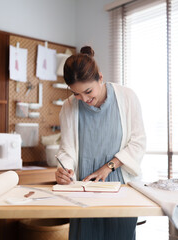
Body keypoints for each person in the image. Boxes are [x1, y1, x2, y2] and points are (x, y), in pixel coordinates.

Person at [55, 46, 146, 240]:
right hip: (84, 188)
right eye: (77, 94)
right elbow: (67, 149)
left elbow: (138, 142)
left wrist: (109, 167)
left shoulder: (127, 97)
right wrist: (65, 170)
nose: (84, 99)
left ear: (101, 78)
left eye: (88, 91)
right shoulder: (69, 106)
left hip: (120, 187)